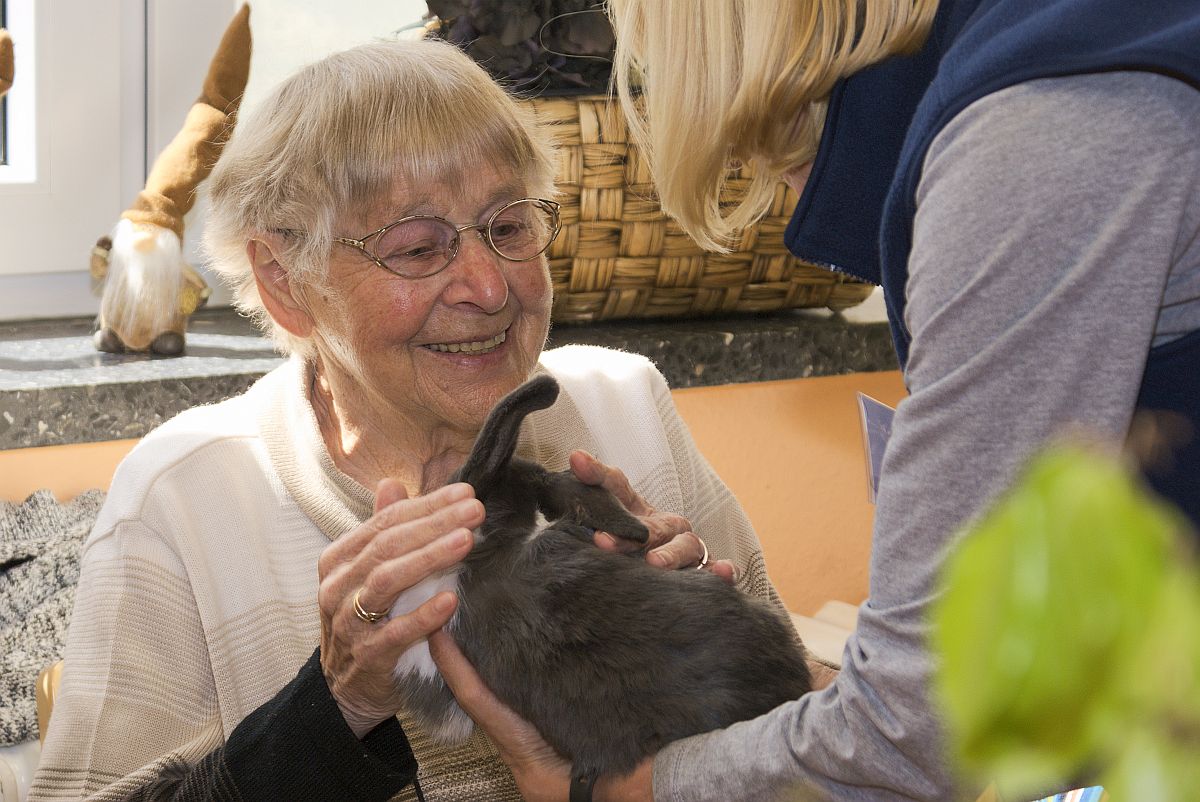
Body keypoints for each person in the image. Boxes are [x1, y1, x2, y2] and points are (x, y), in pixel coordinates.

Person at [431, 0, 1200, 800]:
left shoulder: (1033, 138)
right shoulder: (1084, 52)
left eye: (769, 162)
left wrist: (616, 791)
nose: (792, 204)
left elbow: (931, 726)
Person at [29, 39, 795, 801]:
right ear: (286, 281)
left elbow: (814, 741)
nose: (490, 287)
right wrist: (334, 712)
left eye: (509, 226)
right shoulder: (185, 501)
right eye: (419, 246)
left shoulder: (626, 408)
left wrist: (698, 659)